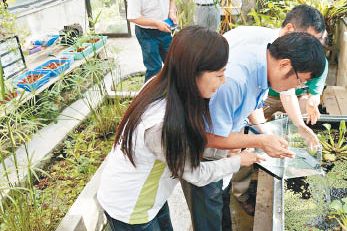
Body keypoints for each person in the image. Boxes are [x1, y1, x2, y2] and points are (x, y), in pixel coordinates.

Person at [97, 26, 265, 231]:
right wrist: (239, 161)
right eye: (219, 74)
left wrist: (221, 151)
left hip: (150, 196)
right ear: (193, 72)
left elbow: (187, 142)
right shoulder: (160, 125)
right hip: (131, 207)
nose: (224, 81)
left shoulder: (164, 86)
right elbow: (197, 174)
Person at [181, 32, 326, 230]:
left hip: (221, 155)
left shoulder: (263, 64)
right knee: (208, 217)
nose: (299, 87)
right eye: (301, 81)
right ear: (285, 65)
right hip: (201, 160)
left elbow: (251, 105)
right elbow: (207, 137)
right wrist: (259, 142)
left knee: (221, 206)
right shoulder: (234, 80)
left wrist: (267, 135)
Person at [223, 5, 329, 215]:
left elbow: (263, 100)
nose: (310, 48)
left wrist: (295, 127)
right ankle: (238, 194)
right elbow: (213, 134)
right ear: (290, 30)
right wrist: (256, 141)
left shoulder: (275, 59)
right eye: (308, 39)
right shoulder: (252, 59)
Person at [127, 0, 178, 81]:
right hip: (146, 33)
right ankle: (151, 95)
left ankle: (173, 91)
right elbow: (132, 17)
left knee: (173, 62)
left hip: (165, 29)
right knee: (154, 67)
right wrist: (156, 23)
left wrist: (171, 12)